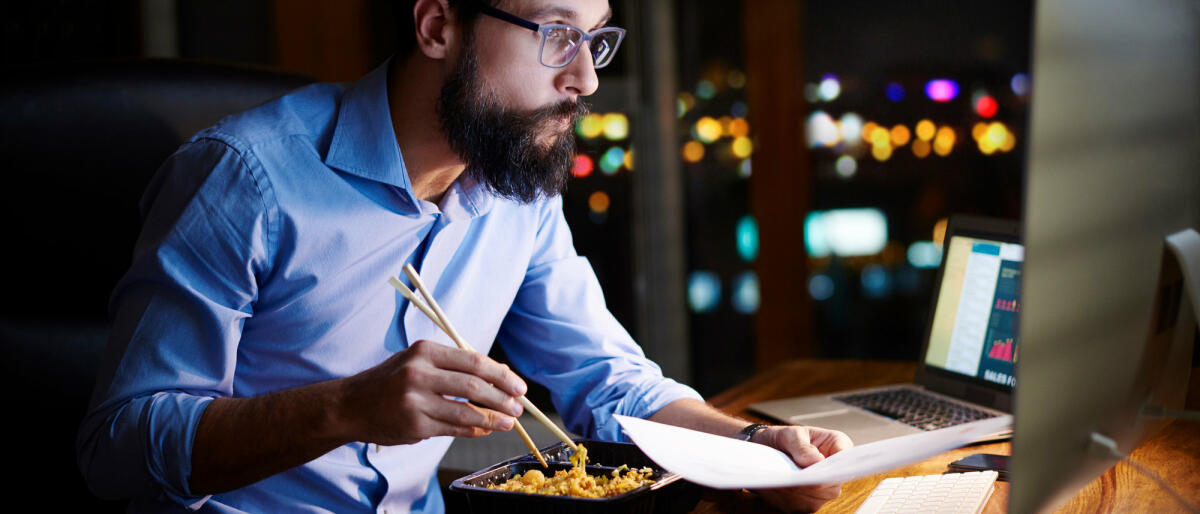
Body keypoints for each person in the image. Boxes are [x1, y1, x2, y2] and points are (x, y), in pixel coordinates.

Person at [76, 0, 852, 512]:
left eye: (597, 40)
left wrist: (757, 450)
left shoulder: (519, 192)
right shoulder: (242, 179)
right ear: (439, 26)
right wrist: (346, 408)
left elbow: (607, 380)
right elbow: (118, 449)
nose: (584, 78)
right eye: (556, 35)